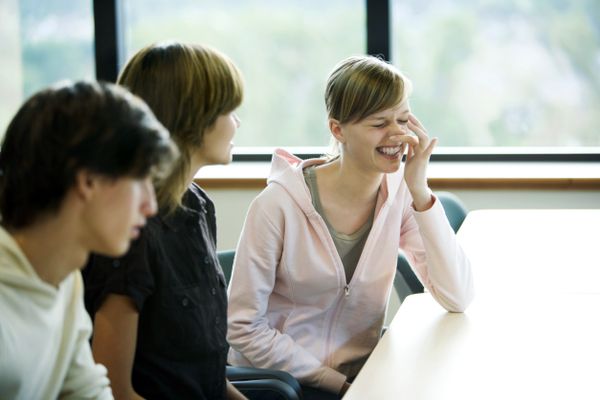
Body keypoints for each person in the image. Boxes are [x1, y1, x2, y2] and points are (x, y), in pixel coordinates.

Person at [227, 55, 475, 399]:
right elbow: (243, 328)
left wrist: (419, 191)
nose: (397, 135)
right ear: (337, 129)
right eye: (379, 123)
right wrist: (333, 382)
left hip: (360, 377)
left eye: (403, 119)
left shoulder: (400, 193)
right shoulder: (276, 205)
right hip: (285, 384)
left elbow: (457, 296)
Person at [82, 42, 247, 399]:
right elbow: (117, 391)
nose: (238, 122)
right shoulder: (132, 232)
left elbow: (208, 375)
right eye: (229, 110)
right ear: (194, 117)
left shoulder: (199, 205)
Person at [0, 80, 177, 399]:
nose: (150, 205)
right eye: (140, 180)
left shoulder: (64, 275)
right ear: (88, 181)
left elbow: (86, 391)